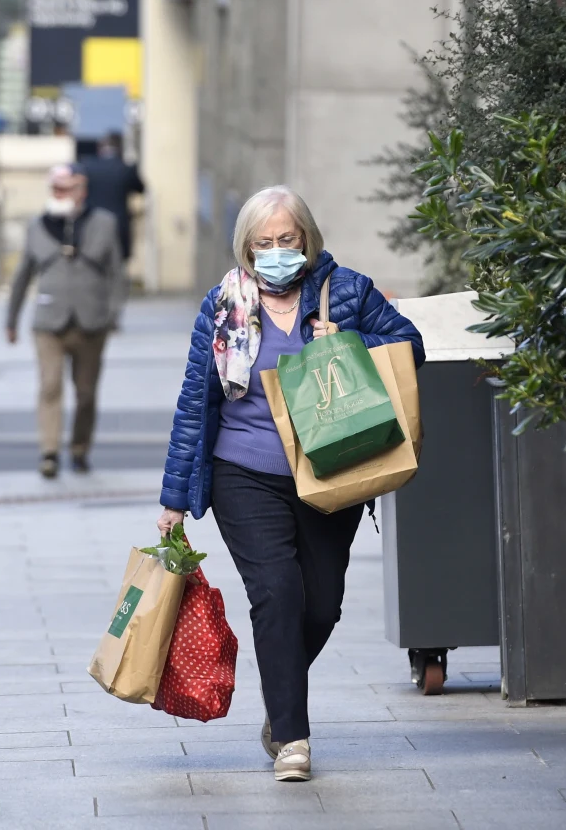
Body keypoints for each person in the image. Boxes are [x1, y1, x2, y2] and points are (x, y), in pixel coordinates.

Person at [157, 185, 424, 782]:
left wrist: (353, 342)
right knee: (276, 592)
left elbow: (412, 345)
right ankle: (292, 737)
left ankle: (280, 692)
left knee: (322, 605)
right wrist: (174, 498)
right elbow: (195, 402)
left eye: (287, 239)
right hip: (243, 471)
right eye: (264, 242)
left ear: (307, 239)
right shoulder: (222, 305)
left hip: (332, 468)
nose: (276, 251)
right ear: (246, 247)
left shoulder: (347, 290)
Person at [6, 163, 126, 479]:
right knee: (49, 386)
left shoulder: (104, 223)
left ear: (81, 190)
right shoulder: (37, 226)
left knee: (86, 393)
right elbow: (22, 275)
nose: (58, 194)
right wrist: (11, 319)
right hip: (49, 322)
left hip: (91, 322)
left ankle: (79, 449)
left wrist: (114, 314)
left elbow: (116, 272)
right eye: (54, 188)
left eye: (65, 188)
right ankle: (49, 452)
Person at [81, 132, 145, 261]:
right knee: (117, 265)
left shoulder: (87, 166)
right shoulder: (125, 169)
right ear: (120, 148)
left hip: (92, 226)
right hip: (119, 227)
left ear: (100, 148)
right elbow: (141, 188)